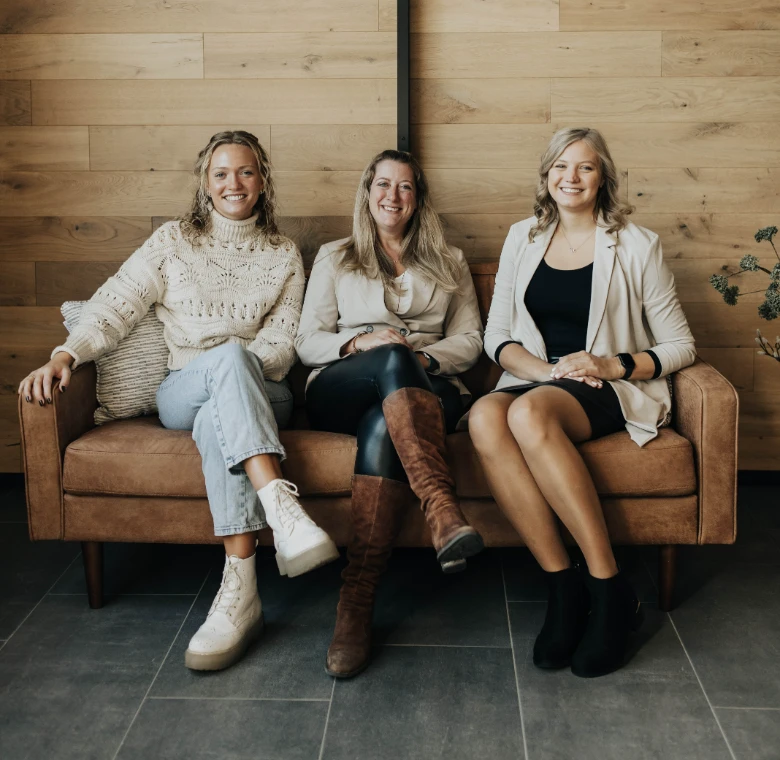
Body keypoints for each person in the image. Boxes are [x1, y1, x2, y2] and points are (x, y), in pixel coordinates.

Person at [18, 130, 339, 672]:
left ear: (262, 182)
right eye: (221, 173)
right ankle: (282, 511)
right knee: (222, 375)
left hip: (264, 392)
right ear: (205, 184)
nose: (233, 183)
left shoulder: (283, 254)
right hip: (181, 390)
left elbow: (283, 344)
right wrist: (65, 355)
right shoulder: (172, 243)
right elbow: (115, 304)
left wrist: (235, 367)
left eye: (245, 172)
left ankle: (239, 593)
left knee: (227, 399)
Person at [468, 127, 696, 678]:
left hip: (608, 387)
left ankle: (609, 586)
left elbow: (682, 345)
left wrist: (606, 364)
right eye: (560, 166)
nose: (571, 177)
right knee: (482, 415)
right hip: (539, 379)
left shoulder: (638, 245)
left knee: (527, 412)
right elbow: (497, 337)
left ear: (603, 178)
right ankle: (563, 587)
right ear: (546, 176)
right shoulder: (522, 237)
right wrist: (549, 373)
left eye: (585, 167)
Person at [296, 149, 484, 678]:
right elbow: (306, 342)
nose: (392, 196)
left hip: (427, 388)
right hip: (342, 387)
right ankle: (440, 509)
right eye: (383, 184)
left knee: (387, 417)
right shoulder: (336, 257)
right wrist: (363, 344)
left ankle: (355, 605)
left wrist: (420, 358)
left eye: (404, 187)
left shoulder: (448, 260)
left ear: (418, 199)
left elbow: (471, 341)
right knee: (391, 356)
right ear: (367, 192)